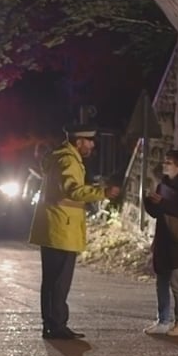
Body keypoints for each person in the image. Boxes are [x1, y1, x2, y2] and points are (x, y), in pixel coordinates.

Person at [29, 125, 121, 339]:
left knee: (52, 280)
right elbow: (73, 190)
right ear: (78, 142)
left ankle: (51, 324)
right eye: (89, 141)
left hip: (55, 227)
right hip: (62, 227)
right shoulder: (68, 160)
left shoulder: (59, 157)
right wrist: (102, 192)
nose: (92, 145)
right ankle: (57, 325)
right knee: (59, 281)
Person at [142, 149, 178, 336]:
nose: (164, 165)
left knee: (176, 282)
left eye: (169, 162)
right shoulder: (163, 184)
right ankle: (163, 320)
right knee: (162, 281)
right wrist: (149, 202)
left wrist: (164, 203)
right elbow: (158, 213)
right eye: (164, 161)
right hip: (164, 238)